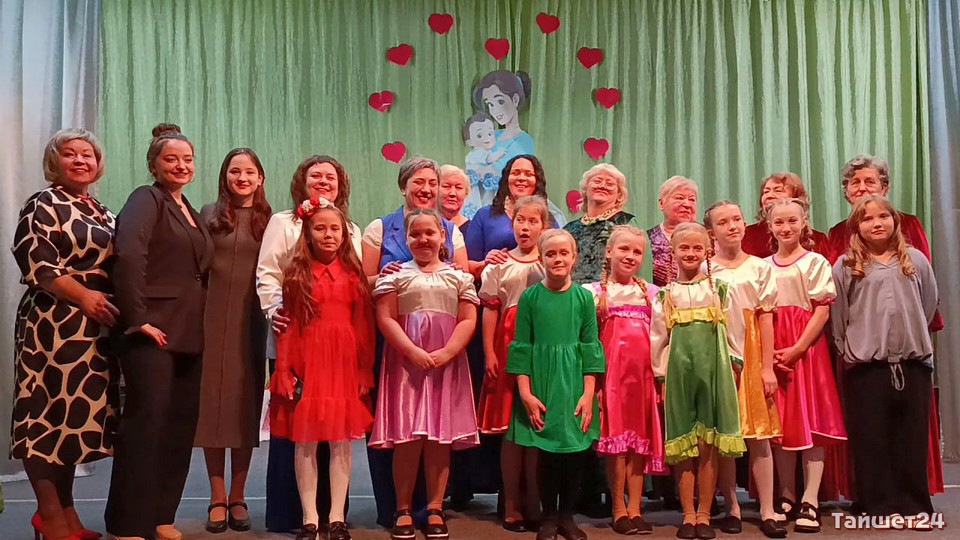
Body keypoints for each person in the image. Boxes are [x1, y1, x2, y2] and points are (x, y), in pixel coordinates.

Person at [106, 123, 214, 540]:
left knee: (179, 426)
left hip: (189, 332)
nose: (181, 166)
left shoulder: (190, 209)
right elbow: (129, 255)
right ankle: (127, 523)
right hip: (152, 330)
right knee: (146, 425)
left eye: (187, 159)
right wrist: (137, 317)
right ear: (153, 164)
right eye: (171, 159)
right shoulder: (145, 198)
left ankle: (160, 514)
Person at [12, 129, 119, 540]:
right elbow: (37, 263)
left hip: (92, 329)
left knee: (71, 419)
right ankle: (49, 513)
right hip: (52, 322)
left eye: (87, 154)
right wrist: (84, 296)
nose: (80, 161)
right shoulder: (43, 203)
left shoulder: (102, 211)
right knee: (43, 415)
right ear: (54, 162)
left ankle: (68, 511)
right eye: (70, 154)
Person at [361, 157, 469, 528]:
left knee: (439, 435)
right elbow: (370, 291)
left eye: (432, 182)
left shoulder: (454, 248)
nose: (425, 189)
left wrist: (448, 351)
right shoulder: (381, 232)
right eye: (418, 182)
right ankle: (400, 508)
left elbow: (466, 307)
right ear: (403, 185)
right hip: (401, 354)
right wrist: (410, 349)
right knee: (405, 433)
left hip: (445, 356)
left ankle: (434, 507)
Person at [257, 155, 363, 532]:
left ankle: (335, 517)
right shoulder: (283, 222)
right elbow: (269, 273)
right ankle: (300, 517)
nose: (323, 181)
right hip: (296, 341)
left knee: (336, 436)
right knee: (295, 436)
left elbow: (357, 291)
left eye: (330, 177)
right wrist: (275, 312)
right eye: (315, 175)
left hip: (339, 354)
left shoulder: (351, 228)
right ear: (302, 182)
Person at [831, 195, 938, 528]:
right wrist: (852, 349)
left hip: (912, 364)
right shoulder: (846, 265)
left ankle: (914, 505)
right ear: (857, 227)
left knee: (911, 438)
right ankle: (878, 505)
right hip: (867, 367)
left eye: (882, 217)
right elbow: (839, 316)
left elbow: (928, 304)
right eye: (867, 219)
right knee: (871, 439)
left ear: (894, 221)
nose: (876, 223)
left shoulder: (915, 260)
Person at [507, 229, 605, 540]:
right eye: (551, 254)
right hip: (543, 383)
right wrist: (526, 393)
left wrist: (588, 394)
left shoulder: (584, 298)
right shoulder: (530, 298)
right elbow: (522, 347)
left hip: (574, 384)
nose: (558, 259)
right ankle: (548, 517)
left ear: (574, 257)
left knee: (575, 454)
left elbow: (590, 347)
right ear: (542, 258)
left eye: (564, 253)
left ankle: (567, 517)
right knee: (547, 456)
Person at [650, 222, 744, 540]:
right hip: (679, 375)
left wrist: (734, 366)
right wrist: (662, 377)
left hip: (713, 372)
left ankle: (704, 513)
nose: (690, 253)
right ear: (673, 252)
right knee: (683, 445)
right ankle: (687, 514)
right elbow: (658, 339)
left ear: (707, 251)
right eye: (684, 247)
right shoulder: (665, 295)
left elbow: (736, 333)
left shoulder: (720, 290)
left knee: (708, 444)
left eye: (697, 247)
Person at [195, 148, 272, 533]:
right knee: (211, 407)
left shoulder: (271, 221)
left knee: (245, 406)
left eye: (249, 172)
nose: (241, 178)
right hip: (209, 319)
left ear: (260, 178)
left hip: (252, 320)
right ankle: (217, 495)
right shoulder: (208, 214)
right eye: (234, 171)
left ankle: (239, 496)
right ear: (225, 176)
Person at [704, 201, 787, 539]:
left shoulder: (759, 267)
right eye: (723, 222)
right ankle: (731, 507)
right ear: (712, 232)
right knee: (725, 435)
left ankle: (767, 508)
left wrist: (767, 367)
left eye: (737, 219)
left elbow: (766, 318)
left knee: (759, 436)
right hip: (720, 353)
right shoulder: (707, 270)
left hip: (752, 353)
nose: (733, 226)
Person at [764, 198, 846, 534]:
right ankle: (786, 494)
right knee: (781, 426)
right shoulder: (763, 266)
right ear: (770, 226)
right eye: (779, 222)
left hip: (806, 349)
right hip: (773, 348)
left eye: (792, 221)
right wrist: (769, 353)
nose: (785, 228)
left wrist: (798, 349)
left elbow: (821, 311)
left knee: (811, 423)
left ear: (803, 223)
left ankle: (810, 497)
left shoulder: (815, 262)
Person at [585, 226, 665, 536]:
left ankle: (636, 508)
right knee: (617, 445)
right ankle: (618, 508)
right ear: (609, 252)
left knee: (638, 445)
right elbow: (590, 340)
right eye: (624, 249)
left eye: (637, 251)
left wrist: (659, 380)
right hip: (612, 380)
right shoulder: (594, 293)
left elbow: (660, 340)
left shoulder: (651, 294)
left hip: (642, 380)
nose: (630, 256)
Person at [477, 196, 549, 532]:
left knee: (535, 427)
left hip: (541, 348)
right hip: (507, 347)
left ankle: (534, 500)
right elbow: (490, 310)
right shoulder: (499, 265)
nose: (526, 227)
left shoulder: (548, 263)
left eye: (533, 221)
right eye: (521, 220)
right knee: (510, 430)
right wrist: (490, 353)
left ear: (543, 227)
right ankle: (510, 505)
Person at [465, 155, 554, 277]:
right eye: (515, 173)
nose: (521, 178)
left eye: (528, 174)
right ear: (507, 178)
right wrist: (486, 264)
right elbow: (467, 267)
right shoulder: (484, 216)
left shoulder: (549, 218)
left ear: (537, 181)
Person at [565, 164, 642, 284]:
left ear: (619, 194)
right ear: (585, 189)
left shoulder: (626, 222)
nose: (602, 186)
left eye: (610, 183)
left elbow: (638, 265)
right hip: (574, 292)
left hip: (611, 292)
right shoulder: (569, 229)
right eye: (597, 181)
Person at [742, 173, 830, 258]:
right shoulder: (746, 235)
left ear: (796, 198)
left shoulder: (818, 239)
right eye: (766, 192)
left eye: (778, 190)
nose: (769, 195)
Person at [647, 176, 698, 287]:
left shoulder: (709, 238)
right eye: (679, 198)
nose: (687, 204)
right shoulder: (648, 239)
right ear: (661, 203)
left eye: (692, 200)